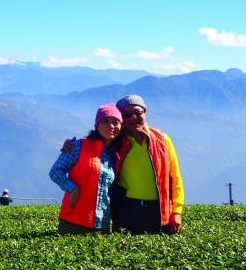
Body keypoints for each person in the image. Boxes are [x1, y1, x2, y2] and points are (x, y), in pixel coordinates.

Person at [61, 94, 185, 235]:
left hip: (158, 211)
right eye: (127, 114)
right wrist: (71, 146)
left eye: (138, 112)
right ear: (122, 119)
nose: (133, 117)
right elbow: (92, 145)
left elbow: (175, 177)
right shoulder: (115, 142)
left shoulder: (162, 140)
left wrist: (177, 211)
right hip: (126, 211)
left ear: (145, 112)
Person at [50, 103, 123, 235]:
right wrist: (72, 188)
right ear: (97, 125)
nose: (111, 126)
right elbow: (55, 171)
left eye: (115, 122)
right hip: (73, 222)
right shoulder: (78, 146)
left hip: (103, 225)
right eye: (105, 121)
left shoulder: (116, 154)